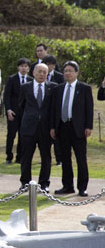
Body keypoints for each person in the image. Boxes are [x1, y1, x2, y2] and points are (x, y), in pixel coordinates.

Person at [50, 61, 93, 197]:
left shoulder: (84, 88)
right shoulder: (58, 89)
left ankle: (82, 187)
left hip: (78, 128)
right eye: (65, 71)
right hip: (62, 127)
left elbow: (89, 109)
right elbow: (54, 110)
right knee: (65, 159)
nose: (67, 73)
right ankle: (67, 186)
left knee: (81, 158)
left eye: (70, 71)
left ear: (76, 73)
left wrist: (88, 126)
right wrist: (52, 127)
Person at [18, 63, 57, 192]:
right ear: (33, 73)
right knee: (26, 157)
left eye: (44, 72)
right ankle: (25, 182)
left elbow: (53, 109)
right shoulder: (25, 87)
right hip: (28, 127)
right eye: (39, 71)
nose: (42, 74)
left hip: (45, 129)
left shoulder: (53, 88)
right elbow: (21, 106)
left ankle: (44, 184)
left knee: (46, 157)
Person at [3, 58, 33, 164]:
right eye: (22, 66)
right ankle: (8, 156)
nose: (24, 68)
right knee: (11, 134)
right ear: (18, 67)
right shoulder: (12, 79)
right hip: (13, 112)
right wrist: (8, 110)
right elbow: (6, 96)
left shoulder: (31, 80)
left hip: (25, 112)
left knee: (23, 135)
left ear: (29, 68)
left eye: (26, 66)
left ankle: (19, 157)